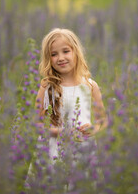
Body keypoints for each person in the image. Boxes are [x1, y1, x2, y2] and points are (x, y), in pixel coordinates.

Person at [35, 28, 108, 162]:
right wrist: (59, 132)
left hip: (83, 149)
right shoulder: (46, 86)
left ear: (76, 52)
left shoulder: (90, 86)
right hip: (53, 151)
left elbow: (102, 120)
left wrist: (94, 129)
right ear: (48, 58)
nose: (61, 58)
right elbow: (36, 122)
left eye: (66, 51)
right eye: (54, 54)